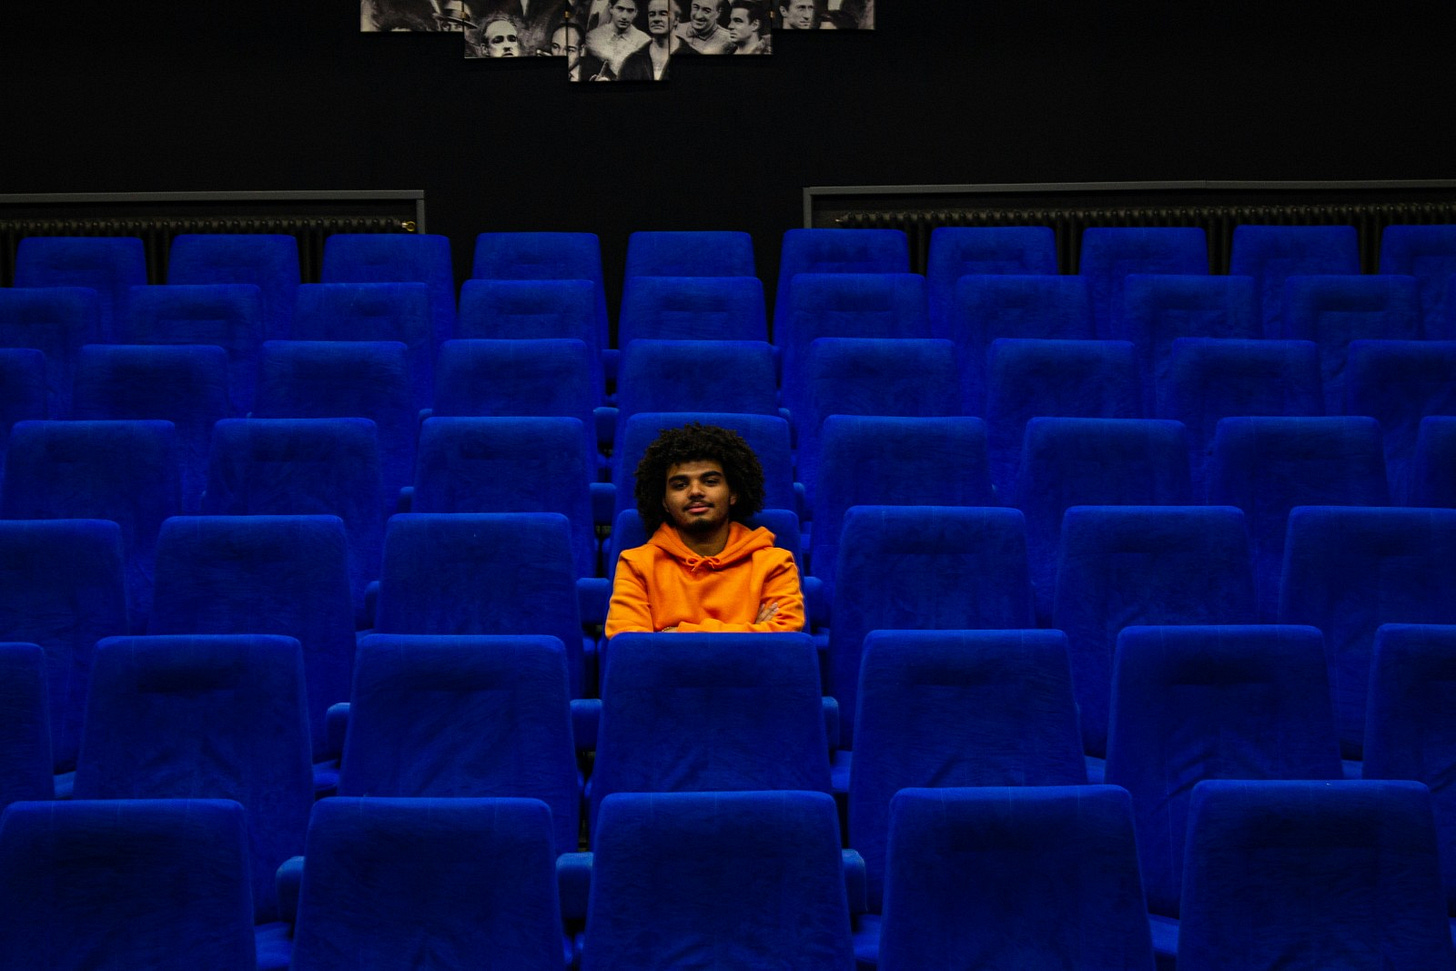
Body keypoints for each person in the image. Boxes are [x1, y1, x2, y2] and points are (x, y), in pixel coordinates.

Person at [605, 423, 804, 636]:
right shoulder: (636, 564)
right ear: (664, 502)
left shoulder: (775, 563)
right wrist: (753, 632)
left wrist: (675, 632)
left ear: (733, 494)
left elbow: (786, 635)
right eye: (680, 485)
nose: (695, 492)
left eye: (710, 481)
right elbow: (629, 643)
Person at [584, 0, 649, 77]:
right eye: (620, 9)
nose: (624, 16)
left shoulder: (644, 41)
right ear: (611, 8)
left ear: (636, 13)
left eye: (630, 11)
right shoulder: (593, 37)